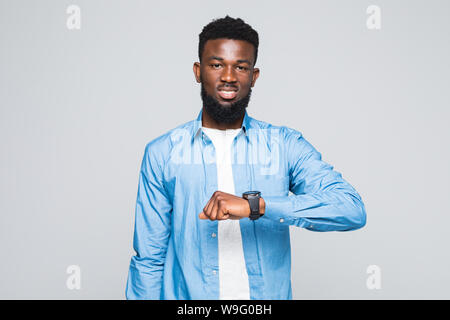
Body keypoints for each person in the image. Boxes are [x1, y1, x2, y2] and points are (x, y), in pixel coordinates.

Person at [125, 15, 366, 300]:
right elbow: (149, 259)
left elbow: (351, 209)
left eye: (240, 67)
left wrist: (257, 206)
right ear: (198, 71)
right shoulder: (162, 153)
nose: (228, 76)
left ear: (254, 76)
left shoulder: (283, 145)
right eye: (217, 65)